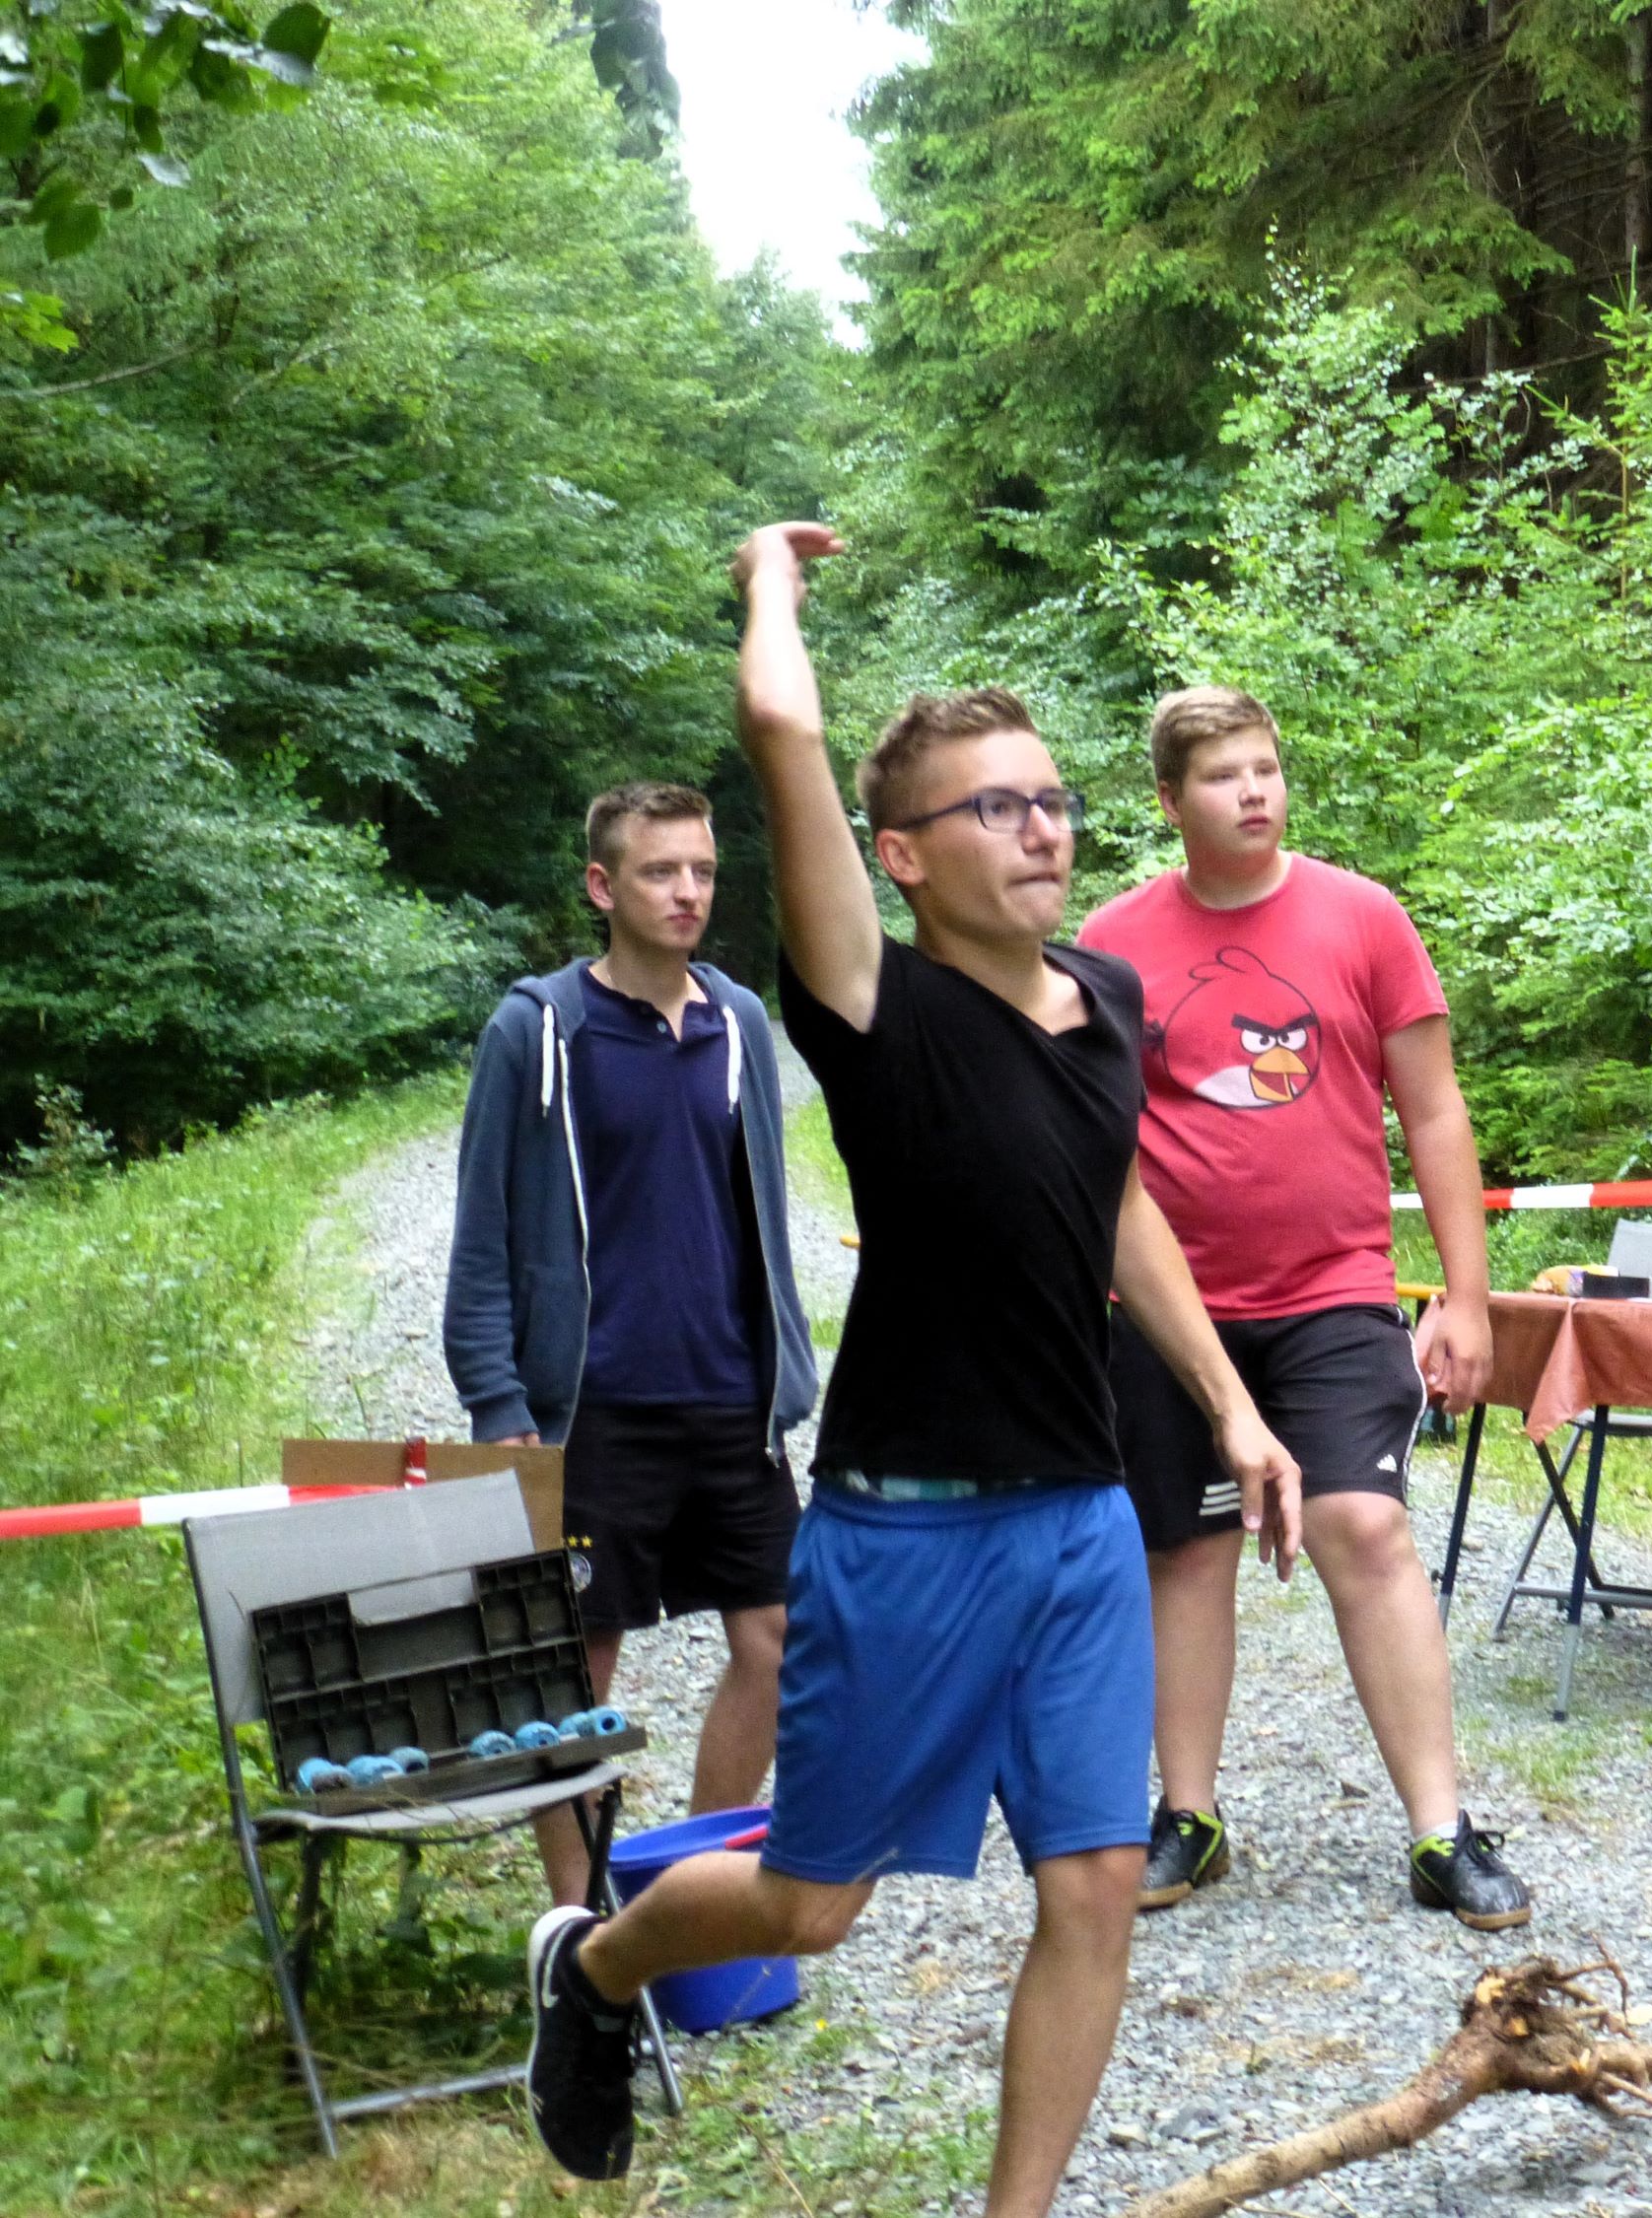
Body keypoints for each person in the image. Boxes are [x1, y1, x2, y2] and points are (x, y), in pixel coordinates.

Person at [518, 521, 1303, 2212]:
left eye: (1050, 799)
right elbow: (783, 738)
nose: (1038, 829)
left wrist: (1234, 1403)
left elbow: (1114, 1210)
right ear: (902, 857)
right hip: (905, 1535)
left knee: (1094, 1889)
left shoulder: (1103, 995)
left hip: (1084, 1519)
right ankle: (589, 1969)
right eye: (992, 810)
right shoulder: (869, 1005)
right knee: (814, 1907)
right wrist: (768, 583)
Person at [1076, 686, 1530, 1930]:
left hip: (1334, 1292)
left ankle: (1442, 1832)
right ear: (1171, 802)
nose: (1255, 792)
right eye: (1224, 776)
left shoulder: (1363, 918)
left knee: (1364, 1528)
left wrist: (1468, 1297)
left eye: (1267, 768)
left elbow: (1433, 1112)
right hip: (1170, 1312)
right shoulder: (1111, 942)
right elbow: (1090, 1144)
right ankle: (1190, 1816)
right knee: (1184, 1550)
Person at [445, 781, 819, 1909]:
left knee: (779, 1640)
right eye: (662, 872)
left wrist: (785, 1364)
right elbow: (484, 1237)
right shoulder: (538, 1029)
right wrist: (497, 1400)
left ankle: (689, 1893)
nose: (688, 891)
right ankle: (579, 1918)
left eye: (702, 870)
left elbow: (759, 1216)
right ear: (603, 885)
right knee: (579, 1665)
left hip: (729, 1401)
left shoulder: (738, 1022)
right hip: (591, 1408)